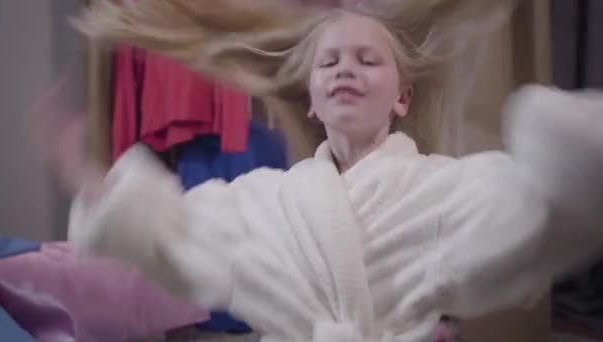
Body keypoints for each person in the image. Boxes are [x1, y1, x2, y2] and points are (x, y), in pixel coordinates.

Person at [35, 0, 603, 341]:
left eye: (367, 59)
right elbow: (169, 230)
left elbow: (545, 207)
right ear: (311, 101)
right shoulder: (263, 200)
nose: (344, 70)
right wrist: (87, 175)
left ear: (402, 97)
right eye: (329, 62)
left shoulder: (440, 189)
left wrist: (555, 128)